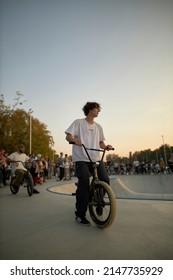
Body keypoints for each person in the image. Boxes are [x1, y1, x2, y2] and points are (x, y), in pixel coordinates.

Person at [65, 102, 113, 226]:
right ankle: (80, 215)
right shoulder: (78, 122)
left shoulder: (99, 127)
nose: (98, 111)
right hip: (81, 158)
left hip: (96, 158)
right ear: (90, 109)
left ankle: (98, 200)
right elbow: (68, 136)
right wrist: (75, 140)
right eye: (97, 109)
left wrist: (106, 147)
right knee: (84, 182)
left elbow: (101, 143)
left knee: (105, 179)